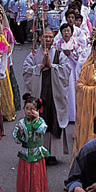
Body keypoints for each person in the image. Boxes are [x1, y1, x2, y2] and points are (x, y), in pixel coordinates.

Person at [22, 27, 73, 162]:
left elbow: (66, 70)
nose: (48, 39)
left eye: (50, 37)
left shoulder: (58, 54)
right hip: (39, 92)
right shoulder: (33, 55)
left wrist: (52, 66)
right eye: (45, 37)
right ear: (40, 38)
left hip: (54, 93)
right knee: (39, 119)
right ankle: (39, 150)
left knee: (53, 119)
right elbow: (26, 71)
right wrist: (39, 67)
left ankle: (52, 153)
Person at [13, 94, 50, 192]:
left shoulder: (41, 122)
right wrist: (20, 132)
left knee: (36, 172)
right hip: (25, 150)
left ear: (37, 110)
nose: (29, 111)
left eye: (32, 109)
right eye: (27, 108)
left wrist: (37, 119)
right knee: (25, 172)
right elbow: (16, 138)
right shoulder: (21, 122)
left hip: (36, 150)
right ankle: (26, 191)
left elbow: (41, 130)